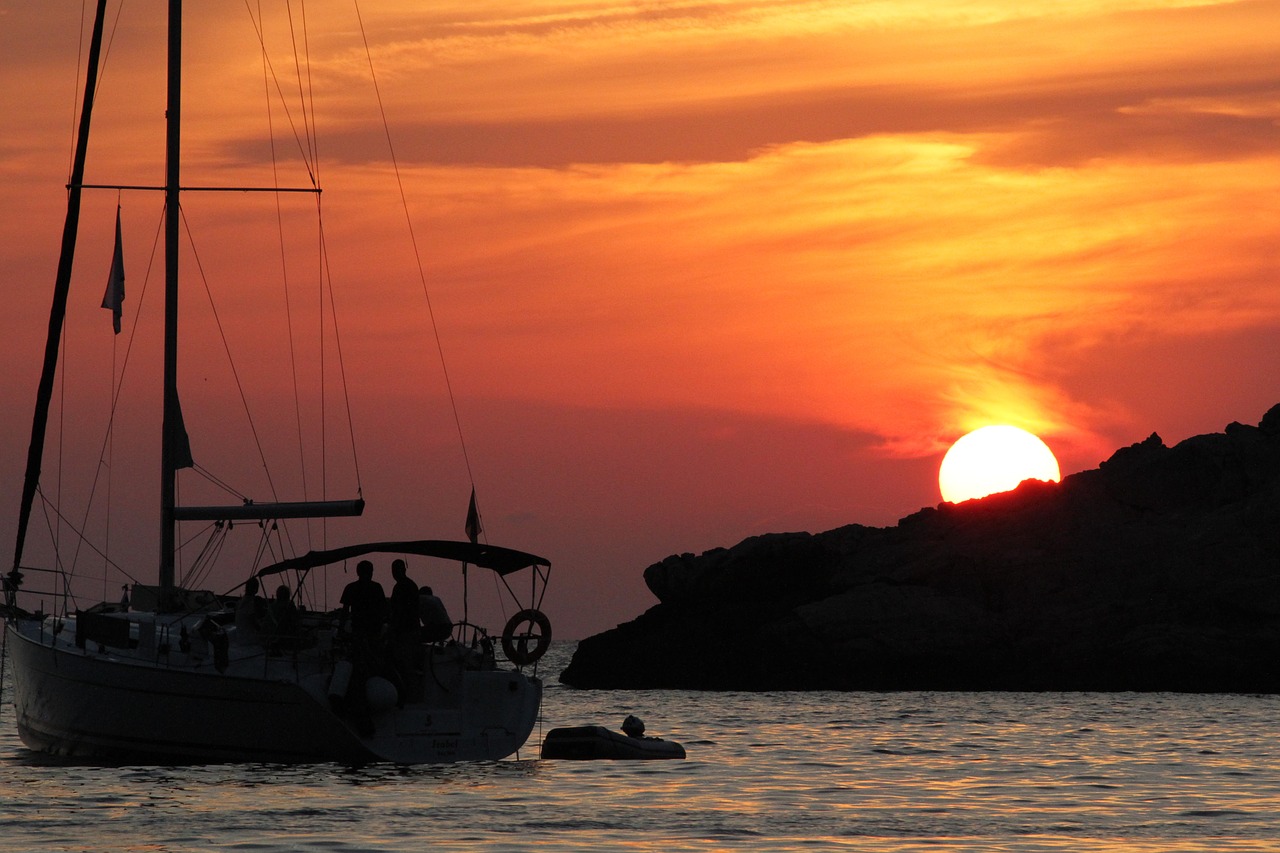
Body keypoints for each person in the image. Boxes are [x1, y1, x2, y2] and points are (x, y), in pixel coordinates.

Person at [339, 560, 386, 642]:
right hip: (373, 630)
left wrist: (341, 628)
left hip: (359, 628)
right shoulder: (377, 587)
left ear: (358, 572)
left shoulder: (350, 588)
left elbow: (345, 611)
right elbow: (383, 609)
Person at [267, 584, 301, 651]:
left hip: (273, 635)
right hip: (286, 635)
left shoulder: (272, 607)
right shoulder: (289, 606)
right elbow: (295, 620)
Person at [234, 576, 267, 646]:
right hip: (249, 639)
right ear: (255, 589)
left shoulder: (241, 602)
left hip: (240, 637)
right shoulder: (250, 603)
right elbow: (254, 623)